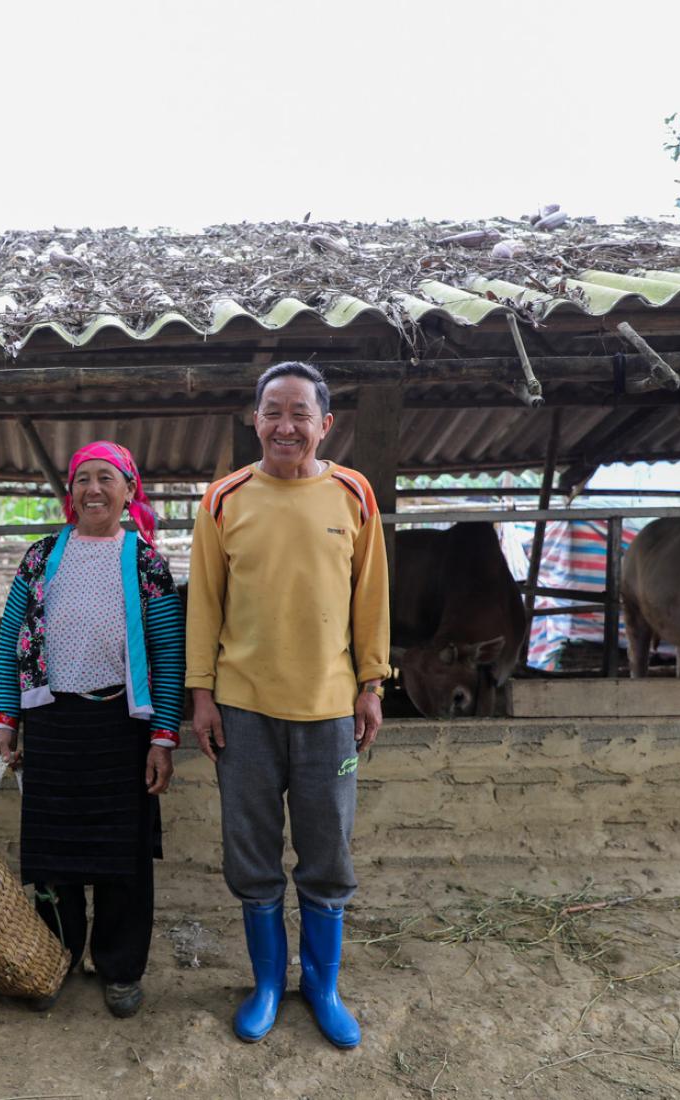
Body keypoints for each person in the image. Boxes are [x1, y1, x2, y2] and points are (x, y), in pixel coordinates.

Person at [185, 361, 390, 1048]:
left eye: (300, 413)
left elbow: (371, 601)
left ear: (324, 425)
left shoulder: (355, 495)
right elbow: (204, 607)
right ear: (255, 420)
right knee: (252, 854)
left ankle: (322, 987)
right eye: (273, 411)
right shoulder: (223, 500)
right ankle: (269, 983)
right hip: (243, 708)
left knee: (327, 852)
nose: (285, 425)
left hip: (329, 711)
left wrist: (370, 685)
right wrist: (202, 696)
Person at [0, 440, 185, 1018]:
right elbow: (9, 641)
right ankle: (58, 956)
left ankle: (121, 967)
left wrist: (163, 738)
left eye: (106, 478)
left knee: (122, 857)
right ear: (69, 493)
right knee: (53, 854)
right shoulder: (41, 556)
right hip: (52, 725)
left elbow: (169, 654)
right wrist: (7, 719)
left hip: (121, 726)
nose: (93, 489)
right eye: (82, 480)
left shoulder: (145, 562)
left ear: (130, 490)